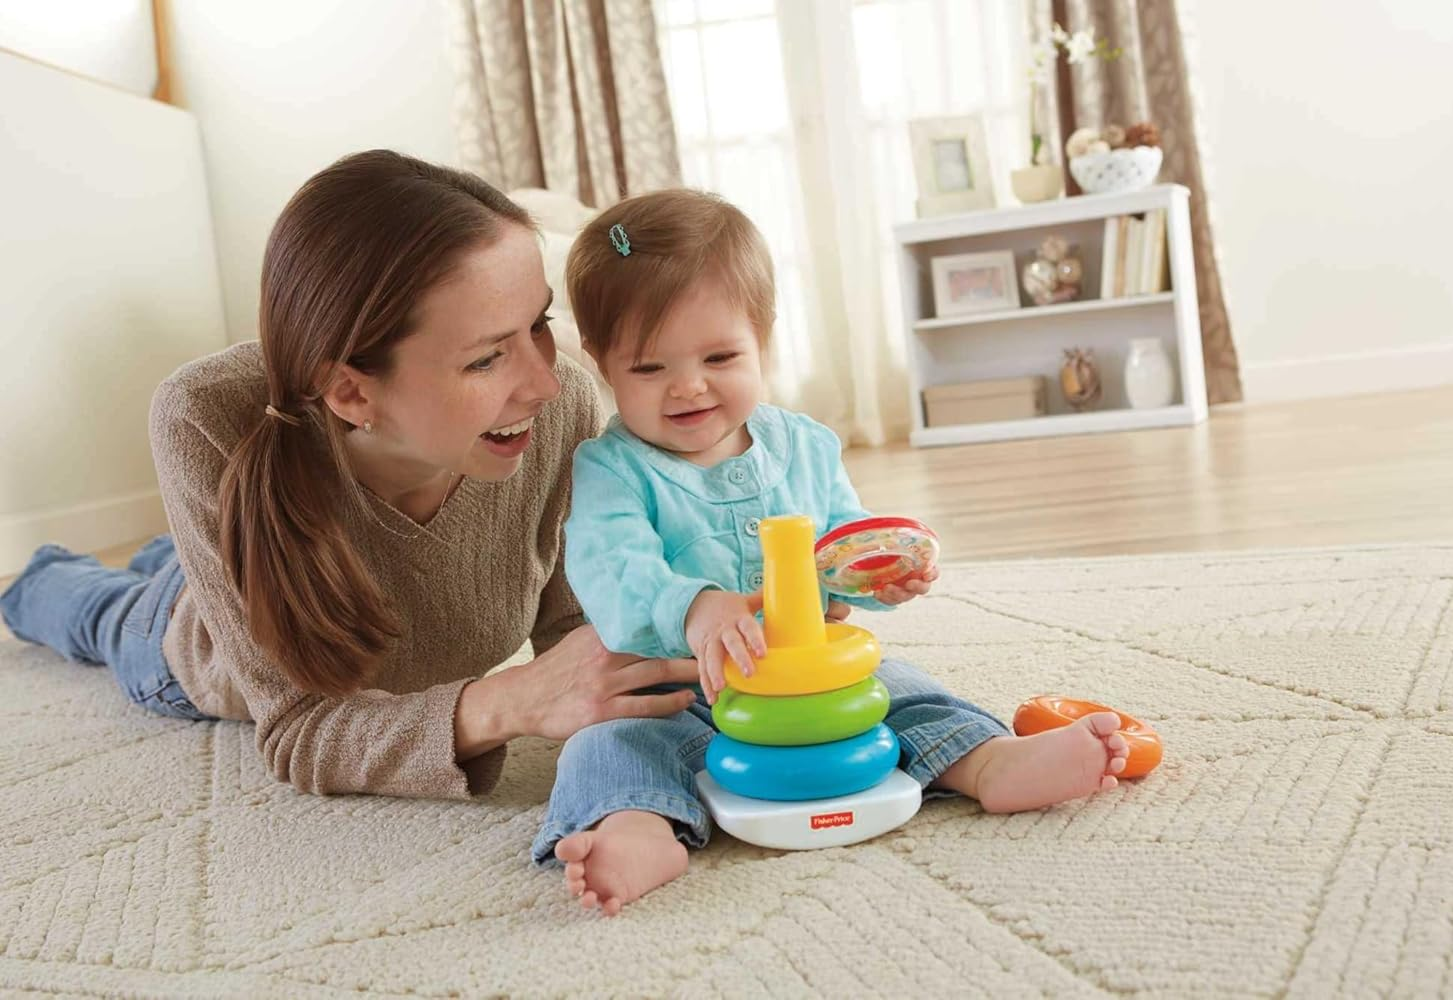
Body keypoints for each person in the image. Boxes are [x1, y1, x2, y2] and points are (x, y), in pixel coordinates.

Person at [0, 149, 701, 799]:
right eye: (487, 358)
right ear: (353, 393)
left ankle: (170, 553)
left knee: (169, 557)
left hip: (255, 543)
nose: (545, 384)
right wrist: (507, 700)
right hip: (188, 643)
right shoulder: (203, 416)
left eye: (540, 324)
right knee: (94, 610)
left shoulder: (562, 407)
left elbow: (584, 628)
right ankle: (36, 580)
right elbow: (301, 728)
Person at [539, 189, 1130, 915]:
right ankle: (635, 827)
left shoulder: (806, 446)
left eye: (720, 356)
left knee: (906, 690)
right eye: (649, 368)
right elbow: (611, 571)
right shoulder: (611, 470)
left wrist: (887, 574)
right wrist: (694, 609)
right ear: (601, 362)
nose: (688, 386)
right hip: (681, 689)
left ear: (765, 338)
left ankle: (990, 762)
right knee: (604, 747)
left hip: (817, 682)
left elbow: (846, 547)